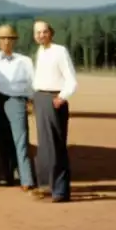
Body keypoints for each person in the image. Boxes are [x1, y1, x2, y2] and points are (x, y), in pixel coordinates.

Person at [32, 20, 78, 203]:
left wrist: (62, 97)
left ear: (51, 32)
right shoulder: (40, 52)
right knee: (44, 146)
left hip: (54, 100)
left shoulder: (60, 51)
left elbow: (72, 79)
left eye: (44, 32)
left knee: (56, 146)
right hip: (40, 98)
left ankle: (61, 190)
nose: (41, 35)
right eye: (37, 32)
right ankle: (47, 186)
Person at [0, 24, 36, 190]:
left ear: (14, 41)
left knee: (21, 139)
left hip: (17, 100)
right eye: (3, 38)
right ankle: (6, 175)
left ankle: (27, 179)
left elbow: (33, 81)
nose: (6, 42)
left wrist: (31, 100)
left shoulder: (25, 61)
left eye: (9, 38)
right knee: (1, 139)